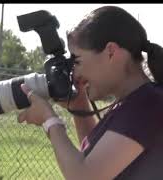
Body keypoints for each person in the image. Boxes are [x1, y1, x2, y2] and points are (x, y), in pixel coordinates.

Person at [18, 6, 163, 180]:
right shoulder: (134, 102)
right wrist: (80, 106)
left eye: (77, 61)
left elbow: (85, 176)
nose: (75, 74)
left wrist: (50, 121)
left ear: (111, 52)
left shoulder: (146, 104)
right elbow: (97, 160)